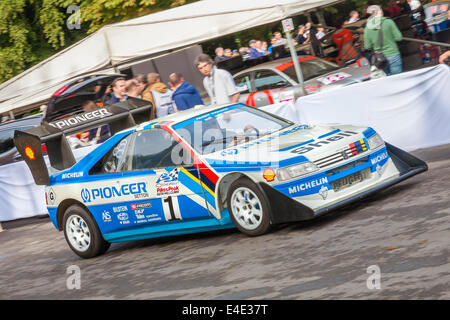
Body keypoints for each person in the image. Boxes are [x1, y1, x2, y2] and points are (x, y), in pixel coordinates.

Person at [364, 5, 403, 75]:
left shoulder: (367, 28)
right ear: (380, 11)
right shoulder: (388, 22)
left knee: (387, 79)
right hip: (393, 54)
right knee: (398, 78)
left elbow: (367, 46)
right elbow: (399, 37)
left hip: (380, 58)